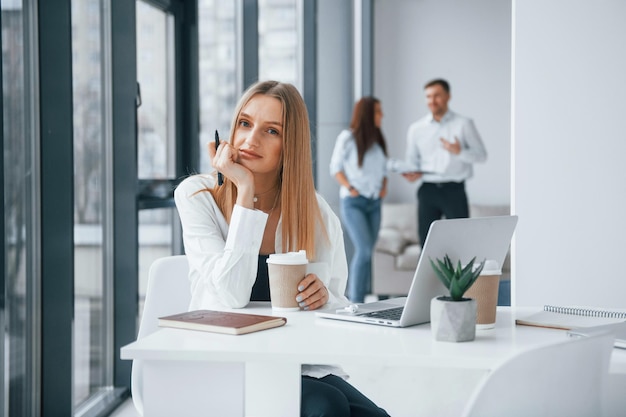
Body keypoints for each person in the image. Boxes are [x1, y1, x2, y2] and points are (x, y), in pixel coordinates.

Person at [174, 80, 390, 417]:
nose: (250, 140)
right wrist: (244, 190)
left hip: (294, 361)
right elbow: (231, 294)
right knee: (327, 407)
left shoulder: (315, 212)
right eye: (245, 124)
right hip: (224, 360)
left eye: (271, 131)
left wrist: (324, 298)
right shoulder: (197, 195)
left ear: (290, 144)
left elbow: (340, 306)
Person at [403, 79, 487, 247]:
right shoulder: (416, 129)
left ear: (448, 96)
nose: (432, 101)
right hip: (427, 190)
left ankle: (459, 274)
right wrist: (411, 173)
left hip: (454, 191)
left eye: (437, 96)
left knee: (461, 243)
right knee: (427, 244)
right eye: (428, 97)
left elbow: (481, 156)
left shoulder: (464, 124)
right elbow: (411, 161)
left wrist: (459, 152)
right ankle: (428, 275)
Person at [329, 97, 388, 303]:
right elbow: (335, 168)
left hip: (374, 203)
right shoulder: (347, 137)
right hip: (354, 202)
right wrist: (350, 187)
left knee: (368, 251)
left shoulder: (378, 141)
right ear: (367, 114)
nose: (382, 116)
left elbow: (384, 168)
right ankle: (355, 301)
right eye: (378, 112)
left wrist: (384, 188)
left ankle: (362, 298)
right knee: (363, 249)